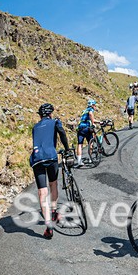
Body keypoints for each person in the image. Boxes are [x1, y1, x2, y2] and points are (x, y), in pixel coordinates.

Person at [29, 103, 70, 239]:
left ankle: (48, 226)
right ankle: (53, 212)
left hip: (37, 159)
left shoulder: (35, 127)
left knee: (42, 191)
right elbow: (62, 134)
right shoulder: (55, 122)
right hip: (51, 157)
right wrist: (67, 148)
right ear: (50, 114)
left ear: (40, 115)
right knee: (53, 184)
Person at [75, 99, 98, 166]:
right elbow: (91, 115)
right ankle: (91, 159)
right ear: (92, 105)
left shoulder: (84, 111)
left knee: (80, 144)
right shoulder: (91, 109)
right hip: (86, 128)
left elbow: (89, 119)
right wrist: (93, 123)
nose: (95, 106)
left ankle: (79, 161)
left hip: (80, 128)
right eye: (94, 105)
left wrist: (99, 122)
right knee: (90, 143)